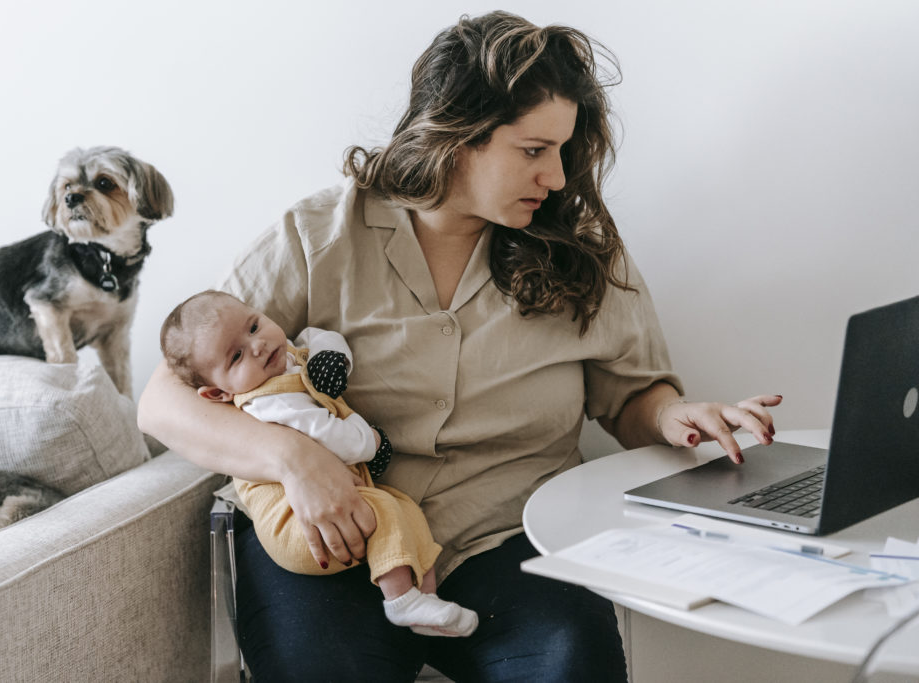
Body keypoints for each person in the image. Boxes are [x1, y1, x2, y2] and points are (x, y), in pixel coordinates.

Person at [138, 10, 781, 681]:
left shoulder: (580, 242)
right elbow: (162, 403)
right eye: (534, 151)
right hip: (336, 539)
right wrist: (294, 455)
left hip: (510, 539)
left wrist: (671, 416)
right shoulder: (319, 235)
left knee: (573, 666)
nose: (558, 177)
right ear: (455, 136)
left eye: (561, 150)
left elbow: (630, 394)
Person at [158, 289, 478, 637]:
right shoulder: (267, 403)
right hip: (298, 526)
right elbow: (331, 437)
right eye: (236, 356)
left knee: (406, 510)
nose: (258, 346)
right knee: (385, 511)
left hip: (335, 501)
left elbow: (315, 336)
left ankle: (425, 600)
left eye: (254, 326)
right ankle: (400, 599)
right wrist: (371, 441)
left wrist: (332, 357)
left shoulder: (287, 357)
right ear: (219, 394)